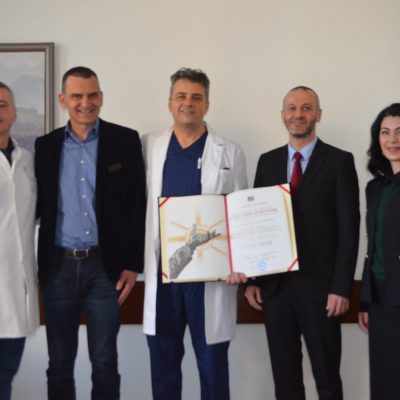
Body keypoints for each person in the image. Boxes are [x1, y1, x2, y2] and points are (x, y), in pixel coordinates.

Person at [34, 66, 146, 400]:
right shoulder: (46, 146)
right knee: (59, 364)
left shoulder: (124, 140)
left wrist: (132, 263)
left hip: (104, 269)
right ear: (63, 100)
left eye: (92, 95)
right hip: (58, 269)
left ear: (101, 97)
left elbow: (137, 204)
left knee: (105, 362)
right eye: (77, 96)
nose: (86, 103)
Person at [245, 86, 360, 400]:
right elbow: (255, 224)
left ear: (318, 115)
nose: (299, 114)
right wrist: (253, 279)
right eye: (292, 108)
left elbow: (349, 230)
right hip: (276, 290)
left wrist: (341, 287)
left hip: (322, 292)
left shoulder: (339, 161)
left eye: (307, 108)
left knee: (327, 380)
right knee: (285, 382)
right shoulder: (267, 161)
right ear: (283, 115)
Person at [142, 67, 247, 400]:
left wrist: (239, 264)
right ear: (170, 103)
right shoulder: (149, 146)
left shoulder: (230, 151)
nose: (188, 103)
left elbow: (239, 215)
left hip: (210, 278)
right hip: (165, 275)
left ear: (207, 105)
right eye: (181, 96)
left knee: (213, 372)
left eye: (196, 97)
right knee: (164, 371)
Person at [358, 103, 400, 400]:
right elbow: (371, 247)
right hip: (381, 298)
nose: (392, 139)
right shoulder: (375, 188)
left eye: (399, 131)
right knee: (384, 382)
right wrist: (365, 300)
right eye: (385, 132)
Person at [0, 82, 39, 400]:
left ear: (14, 113)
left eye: (3, 105)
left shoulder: (27, 160)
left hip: (16, 289)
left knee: (6, 375)